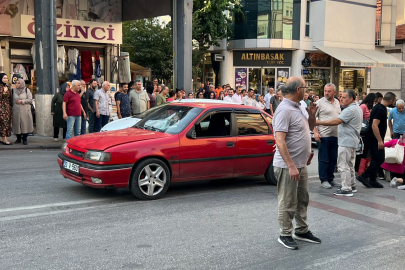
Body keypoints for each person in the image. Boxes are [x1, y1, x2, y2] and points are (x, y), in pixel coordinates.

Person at [273, 77, 320, 250]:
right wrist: (291, 166)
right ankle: (285, 233)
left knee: (302, 199)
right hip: (288, 166)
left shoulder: (300, 106)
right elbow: (280, 141)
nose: (307, 92)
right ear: (298, 90)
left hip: (301, 163)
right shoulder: (284, 110)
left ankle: (301, 230)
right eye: (305, 88)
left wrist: (313, 115)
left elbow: (309, 127)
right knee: (288, 200)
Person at [316, 89, 363, 196]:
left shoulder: (350, 110)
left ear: (351, 99)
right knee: (350, 165)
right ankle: (352, 185)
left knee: (343, 165)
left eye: (344, 97)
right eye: (341, 97)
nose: (341, 99)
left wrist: (319, 122)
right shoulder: (356, 107)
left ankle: (346, 188)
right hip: (351, 140)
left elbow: (336, 121)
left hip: (346, 141)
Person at [357, 92, 396, 188]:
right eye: (394, 100)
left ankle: (372, 179)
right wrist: (379, 140)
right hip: (375, 138)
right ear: (391, 100)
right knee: (379, 158)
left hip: (374, 137)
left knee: (375, 158)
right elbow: (374, 125)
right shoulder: (380, 109)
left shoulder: (378, 107)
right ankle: (364, 176)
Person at [313, 83, 341, 189]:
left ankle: (330, 178)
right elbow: (312, 120)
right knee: (324, 159)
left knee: (333, 158)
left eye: (329, 91)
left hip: (335, 135)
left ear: (334, 92)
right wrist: (315, 132)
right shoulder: (319, 103)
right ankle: (323, 179)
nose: (326, 93)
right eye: (325, 91)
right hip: (323, 135)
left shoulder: (337, 102)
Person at [12, 79, 33, 145]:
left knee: (25, 124)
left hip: (25, 110)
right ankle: (18, 138)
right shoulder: (13, 91)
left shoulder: (26, 90)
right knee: (17, 124)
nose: (17, 84)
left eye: (18, 83)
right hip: (16, 110)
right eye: (16, 83)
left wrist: (22, 101)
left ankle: (24, 139)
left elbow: (30, 99)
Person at [0, 73, 12, 145]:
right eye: (4, 78)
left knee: (6, 123)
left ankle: (3, 138)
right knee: (3, 123)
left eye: (6, 78)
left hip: (7, 108)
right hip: (1, 108)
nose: (5, 79)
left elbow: (10, 98)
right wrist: (4, 91)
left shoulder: (8, 87)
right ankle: (5, 139)